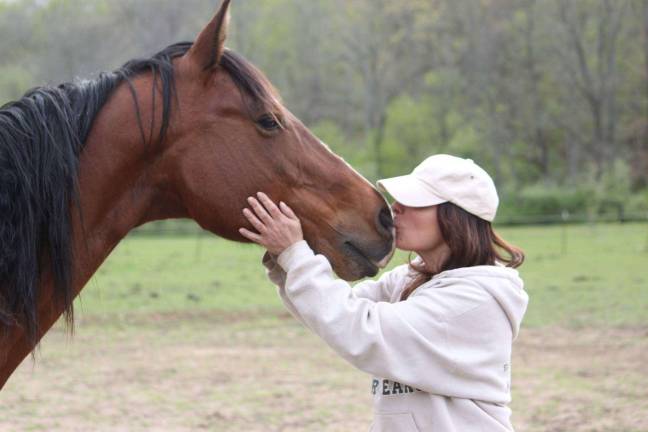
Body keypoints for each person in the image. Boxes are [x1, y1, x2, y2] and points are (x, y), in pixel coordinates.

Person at [239, 154, 529, 432]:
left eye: (416, 202)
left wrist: (294, 254)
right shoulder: (411, 279)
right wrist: (286, 259)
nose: (396, 208)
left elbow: (360, 330)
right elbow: (331, 314)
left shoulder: (473, 300)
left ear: (455, 216)